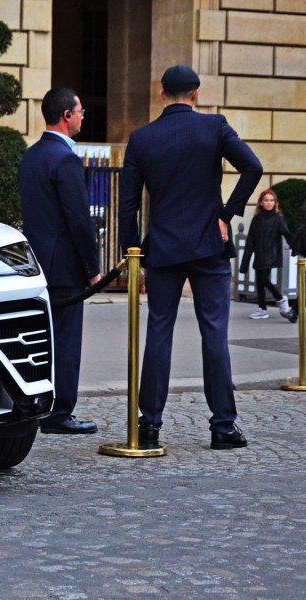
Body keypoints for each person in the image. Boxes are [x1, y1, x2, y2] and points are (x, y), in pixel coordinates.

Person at [119, 65, 263, 450]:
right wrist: (226, 213)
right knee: (214, 334)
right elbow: (253, 167)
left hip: (164, 247)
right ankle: (223, 427)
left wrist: (132, 252)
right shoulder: (214, 127)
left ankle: (148, 425)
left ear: (162, 94)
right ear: (195, 94)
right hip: (208, 243)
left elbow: (128, 205)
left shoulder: (142, 138)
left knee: (158, 334)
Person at [19, 87, 102, 434]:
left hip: (37, 262)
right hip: (65, 268)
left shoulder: (32, 155)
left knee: (42, 341)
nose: (84, 116)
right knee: (66, 343)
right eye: (81, 110)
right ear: (67, 115)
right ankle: (59, 413)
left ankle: (40, 406)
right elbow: (79, 220)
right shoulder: (65, 159)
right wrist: (93, 268)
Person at [241, 189, 294, 319]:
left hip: (271, 254)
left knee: (264, 279)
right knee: (259, 281)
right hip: (259, 254)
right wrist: (244, 264)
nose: (269, 203)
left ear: (275, 203)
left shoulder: (278, 218)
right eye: (266, 200)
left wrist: (297, 246)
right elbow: (250, 242)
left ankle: (281, 300)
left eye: (272, 200)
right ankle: (262, 309)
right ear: (261, 203)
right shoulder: (256, 219)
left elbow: (287, 234)